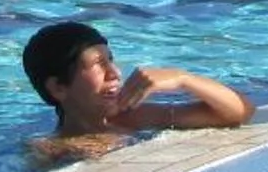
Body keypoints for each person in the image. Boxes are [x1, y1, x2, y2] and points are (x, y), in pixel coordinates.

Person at [20, 20, 252, 155]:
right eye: (99, 64)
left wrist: (182, 78)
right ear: (59, 88)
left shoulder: (137, 118)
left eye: (110, 60)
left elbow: (239, 111)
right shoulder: (48, 150)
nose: (115, 73)